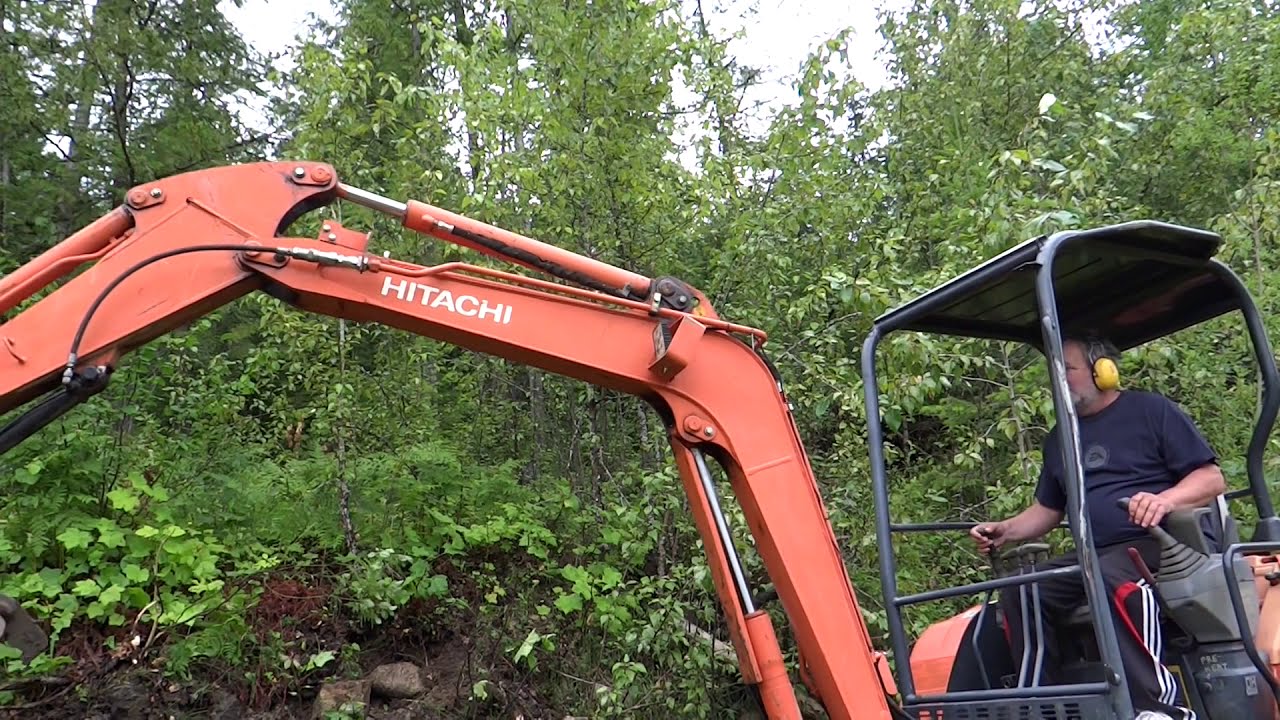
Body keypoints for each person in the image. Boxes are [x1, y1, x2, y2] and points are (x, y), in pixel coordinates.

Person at [969, 335, 1225, 720]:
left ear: (1103, 371)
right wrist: (1005, 529)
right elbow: (1048, 509)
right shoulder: (1060, 439)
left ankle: (1158, 709)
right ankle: (1043, 706)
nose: (1058, 379)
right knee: (1022, 590)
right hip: (1098, 554)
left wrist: (1163, 501)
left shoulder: (1151, 411)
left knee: (1111, 579)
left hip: (1166, 543)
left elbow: (1210, 478)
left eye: (1067, 369)